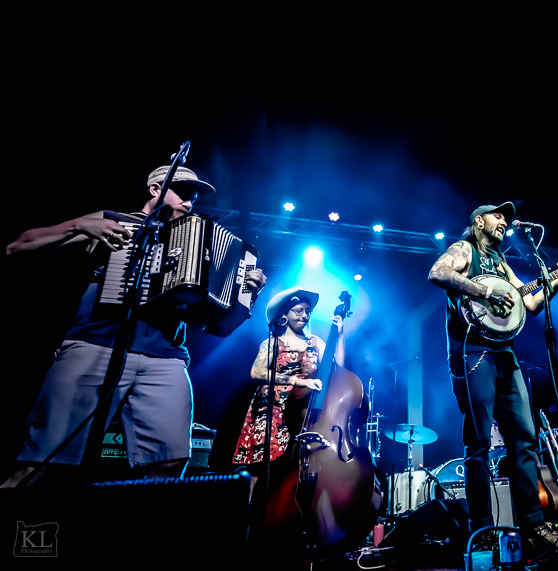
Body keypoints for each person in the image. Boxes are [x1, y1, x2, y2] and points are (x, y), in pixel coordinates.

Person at [2, 164, 267, 488]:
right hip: (96, 345)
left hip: (165, 357)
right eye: (182, 192)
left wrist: (245, 292)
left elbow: (217, 325)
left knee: (171, 461)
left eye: (193, 196)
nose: (189, 201)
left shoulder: (202, 243)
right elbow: (19, 246)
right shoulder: (116, 222)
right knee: (47, 462)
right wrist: (80, 225)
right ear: (155, 189)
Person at [428, 202, 558, 556]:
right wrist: (486, 292)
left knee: (525, 439)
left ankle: (534, 527)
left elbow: (529, 303)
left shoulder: (501, 262)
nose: (503, 221)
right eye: (497, 215)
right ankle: (482, 532)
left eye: (505, 216)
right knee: (479, 445)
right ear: (479, 221)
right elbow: (438, 272)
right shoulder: (464, 249)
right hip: (474, 354)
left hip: (506, 355)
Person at [232, 287, 346, 499]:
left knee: (294, 467)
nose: (304, 315)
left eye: (307, 311)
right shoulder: (272, 342)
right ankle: (249, 515)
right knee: (260, 468)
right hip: (272, 410)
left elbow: (338, 369)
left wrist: (338, 335)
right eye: (298, 310)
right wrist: (297, 381)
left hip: (303, 413)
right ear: (284, 314)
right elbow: (257, 372)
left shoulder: (316, 343)